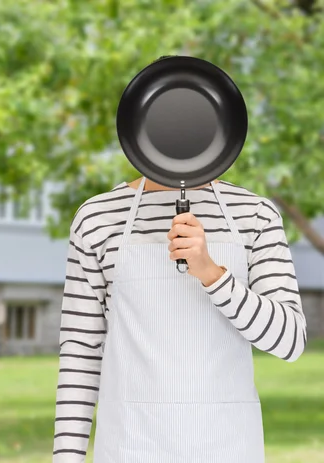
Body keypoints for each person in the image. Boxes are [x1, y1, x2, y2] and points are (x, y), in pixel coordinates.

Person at [52, 175, 307, 463]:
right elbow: (80, 355)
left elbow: (290, 341)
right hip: (130, 447)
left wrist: (212, 274)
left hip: (228, 447)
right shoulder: (97, 218)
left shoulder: (255, 214)